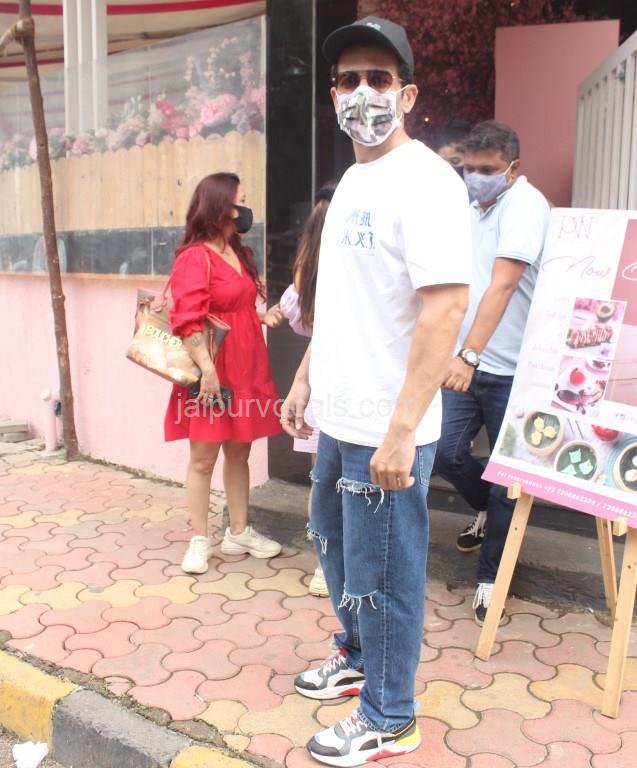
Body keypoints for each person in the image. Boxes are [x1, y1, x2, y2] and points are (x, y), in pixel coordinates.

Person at [281, 16, 472, 766]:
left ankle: (391, 716)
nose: (363, 93)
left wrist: (401, 431)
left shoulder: (427, 183)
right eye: (348, 80)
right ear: (333, 95)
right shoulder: (355, 181)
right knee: (334, 549)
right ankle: (358, 655)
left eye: (379, 79)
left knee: (387, 574)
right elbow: (342, 301)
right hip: (339, 417)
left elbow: (444, 309)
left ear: (408, 94)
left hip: (388, 431)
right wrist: (305, 378)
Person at [433, 121, 550, 625]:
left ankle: (491, 580)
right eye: (469, 168)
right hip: (465, 361)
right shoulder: (470, 209)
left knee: (508, 480)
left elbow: (502, 286)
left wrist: (469, 355)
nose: (475, 177)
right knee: (445, 451)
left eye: (487, 169)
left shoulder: (524, 205)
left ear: (513, 168)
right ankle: (485, 512)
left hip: (511, 370)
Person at [165, 172, 284, 574]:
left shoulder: (237, 251)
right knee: (203, 457)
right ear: (222, 207)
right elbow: (187, 320)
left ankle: (238, 531)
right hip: (212, 370)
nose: (247, 208)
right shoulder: (194, 257)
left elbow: (235, 305)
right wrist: (207, 371)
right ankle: (200, 539)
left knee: (240, 450)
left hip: (247, 364)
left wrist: (260, 317)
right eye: (241, 200)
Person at [279, 182, 336, 599]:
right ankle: (336, 562)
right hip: (347, 382)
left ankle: (323, 563)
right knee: (351, 480)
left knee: (322, 478)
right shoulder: (347, 262)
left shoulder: (308, 262)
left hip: (319, 378)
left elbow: (302, 322)